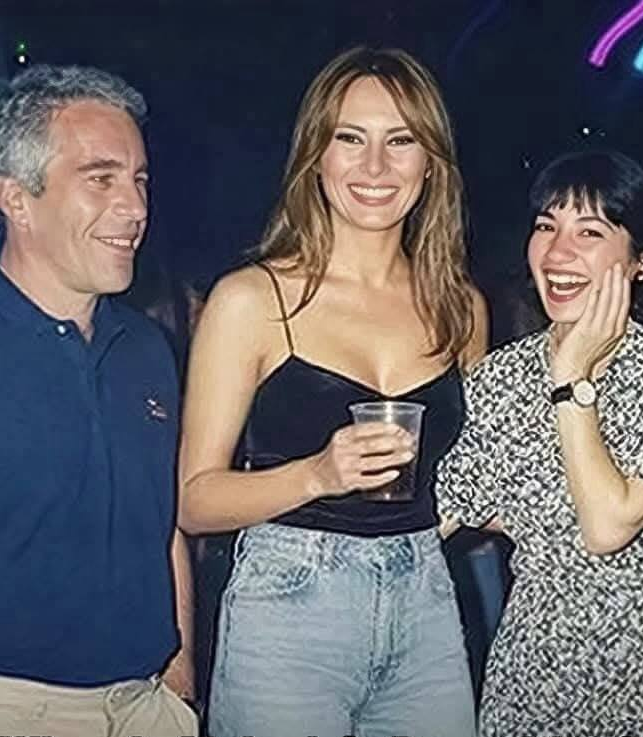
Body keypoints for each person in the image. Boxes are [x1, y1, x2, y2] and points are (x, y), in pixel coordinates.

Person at [0, 65, 198, 737]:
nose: (135, 207)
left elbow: (164, 527)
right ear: (16, 199)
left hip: (147, 706)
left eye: (139, 180)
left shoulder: (145, 349)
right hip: (3, 710)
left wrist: (180, 680)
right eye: (101, 179)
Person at [179, 47, 487, 737]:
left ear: (431, 162)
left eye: (399, 141)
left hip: (426, 600)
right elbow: (194, 501)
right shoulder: (252, 299)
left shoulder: (461, 307)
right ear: (315, 156)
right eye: (350, 138)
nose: (374, 166)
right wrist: (318, 473)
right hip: (289, 606)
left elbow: (475, 481)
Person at [437, 149, 643, 736]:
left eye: (590, 232)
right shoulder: (500, 377)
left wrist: (572, 382)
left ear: (641, 263)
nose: (558, 252)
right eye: (546, 226)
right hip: (534, 680)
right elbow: (441, 512)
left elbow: (608, 527)